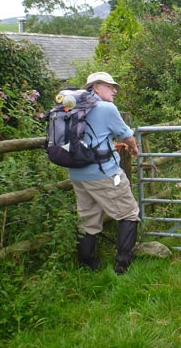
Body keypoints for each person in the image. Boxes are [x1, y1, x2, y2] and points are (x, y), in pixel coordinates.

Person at [70, 72, 141, 275]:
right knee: (129, 213)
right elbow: (126, 135)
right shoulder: (106, 108)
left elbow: (89, 138)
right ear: (96, 87)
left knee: (87, 218)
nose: (114, 90)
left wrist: (109, 144)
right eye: (110, 86)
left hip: (77, 173)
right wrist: (134, 149)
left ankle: (87, 265)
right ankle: (123, 264)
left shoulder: (73, 108)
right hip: (102, 173)